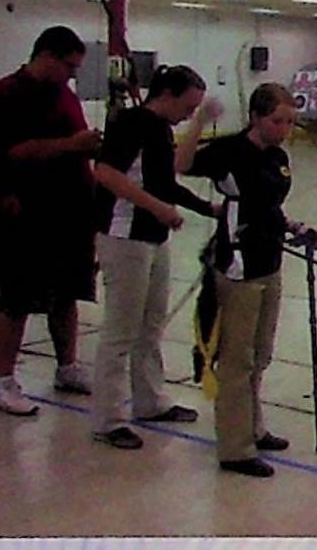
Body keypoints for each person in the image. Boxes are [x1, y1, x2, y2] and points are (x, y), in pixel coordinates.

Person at [90, 65, 223, 449]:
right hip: (124, 236)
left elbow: (165, 182)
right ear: (167, 94)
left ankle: (149, 401)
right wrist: (157, 208)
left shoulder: (161, 130)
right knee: (121, 331)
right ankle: (108, 419)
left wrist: (207, 209)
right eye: (188, 106)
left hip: (154, 238)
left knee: (151, 325)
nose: (189, 114)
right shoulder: (131, 123)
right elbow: (106, 173)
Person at [177, 82, 302, 477]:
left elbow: (269, 206)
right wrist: (200, 122)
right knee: (236, 360)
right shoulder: (229, 151)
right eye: (277, 121)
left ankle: (253, 425)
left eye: (290, 122)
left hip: (270, 262)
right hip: (239, 268)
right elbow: (181, 164)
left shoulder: (278, 156)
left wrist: (293, 226)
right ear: (256, 117)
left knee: (260, 354)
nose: (284, 129)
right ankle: (235, 447)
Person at [0, 25, 99, 415]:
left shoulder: (65, 95)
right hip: (27, 212)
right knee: (17, 299)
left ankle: (67, 366)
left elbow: (77, 142)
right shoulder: (6, 94)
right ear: (46, 56)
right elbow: (13, 152)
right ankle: (3, 381)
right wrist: (70, 145)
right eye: (68, 66)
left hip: (70, 212)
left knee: (66, 294)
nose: (71, 74)